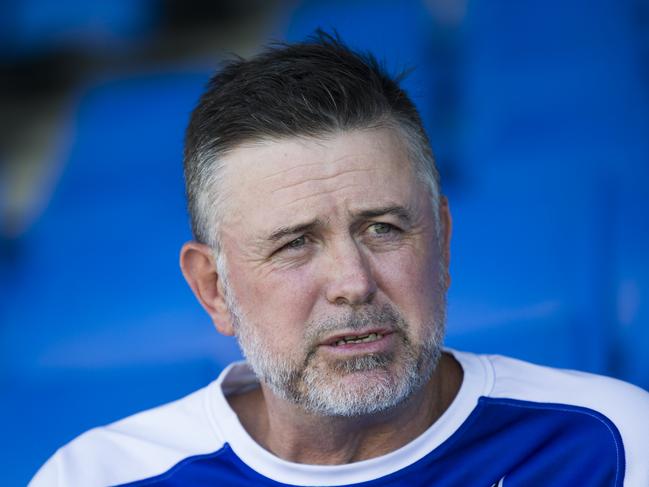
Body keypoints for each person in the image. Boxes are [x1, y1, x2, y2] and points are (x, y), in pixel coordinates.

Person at [30, 32, 649, 487]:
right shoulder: (96, 476)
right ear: (214, 289)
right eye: (294, 243)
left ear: (442, 242)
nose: (354, 284)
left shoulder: (614, 444)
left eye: (382, 228)